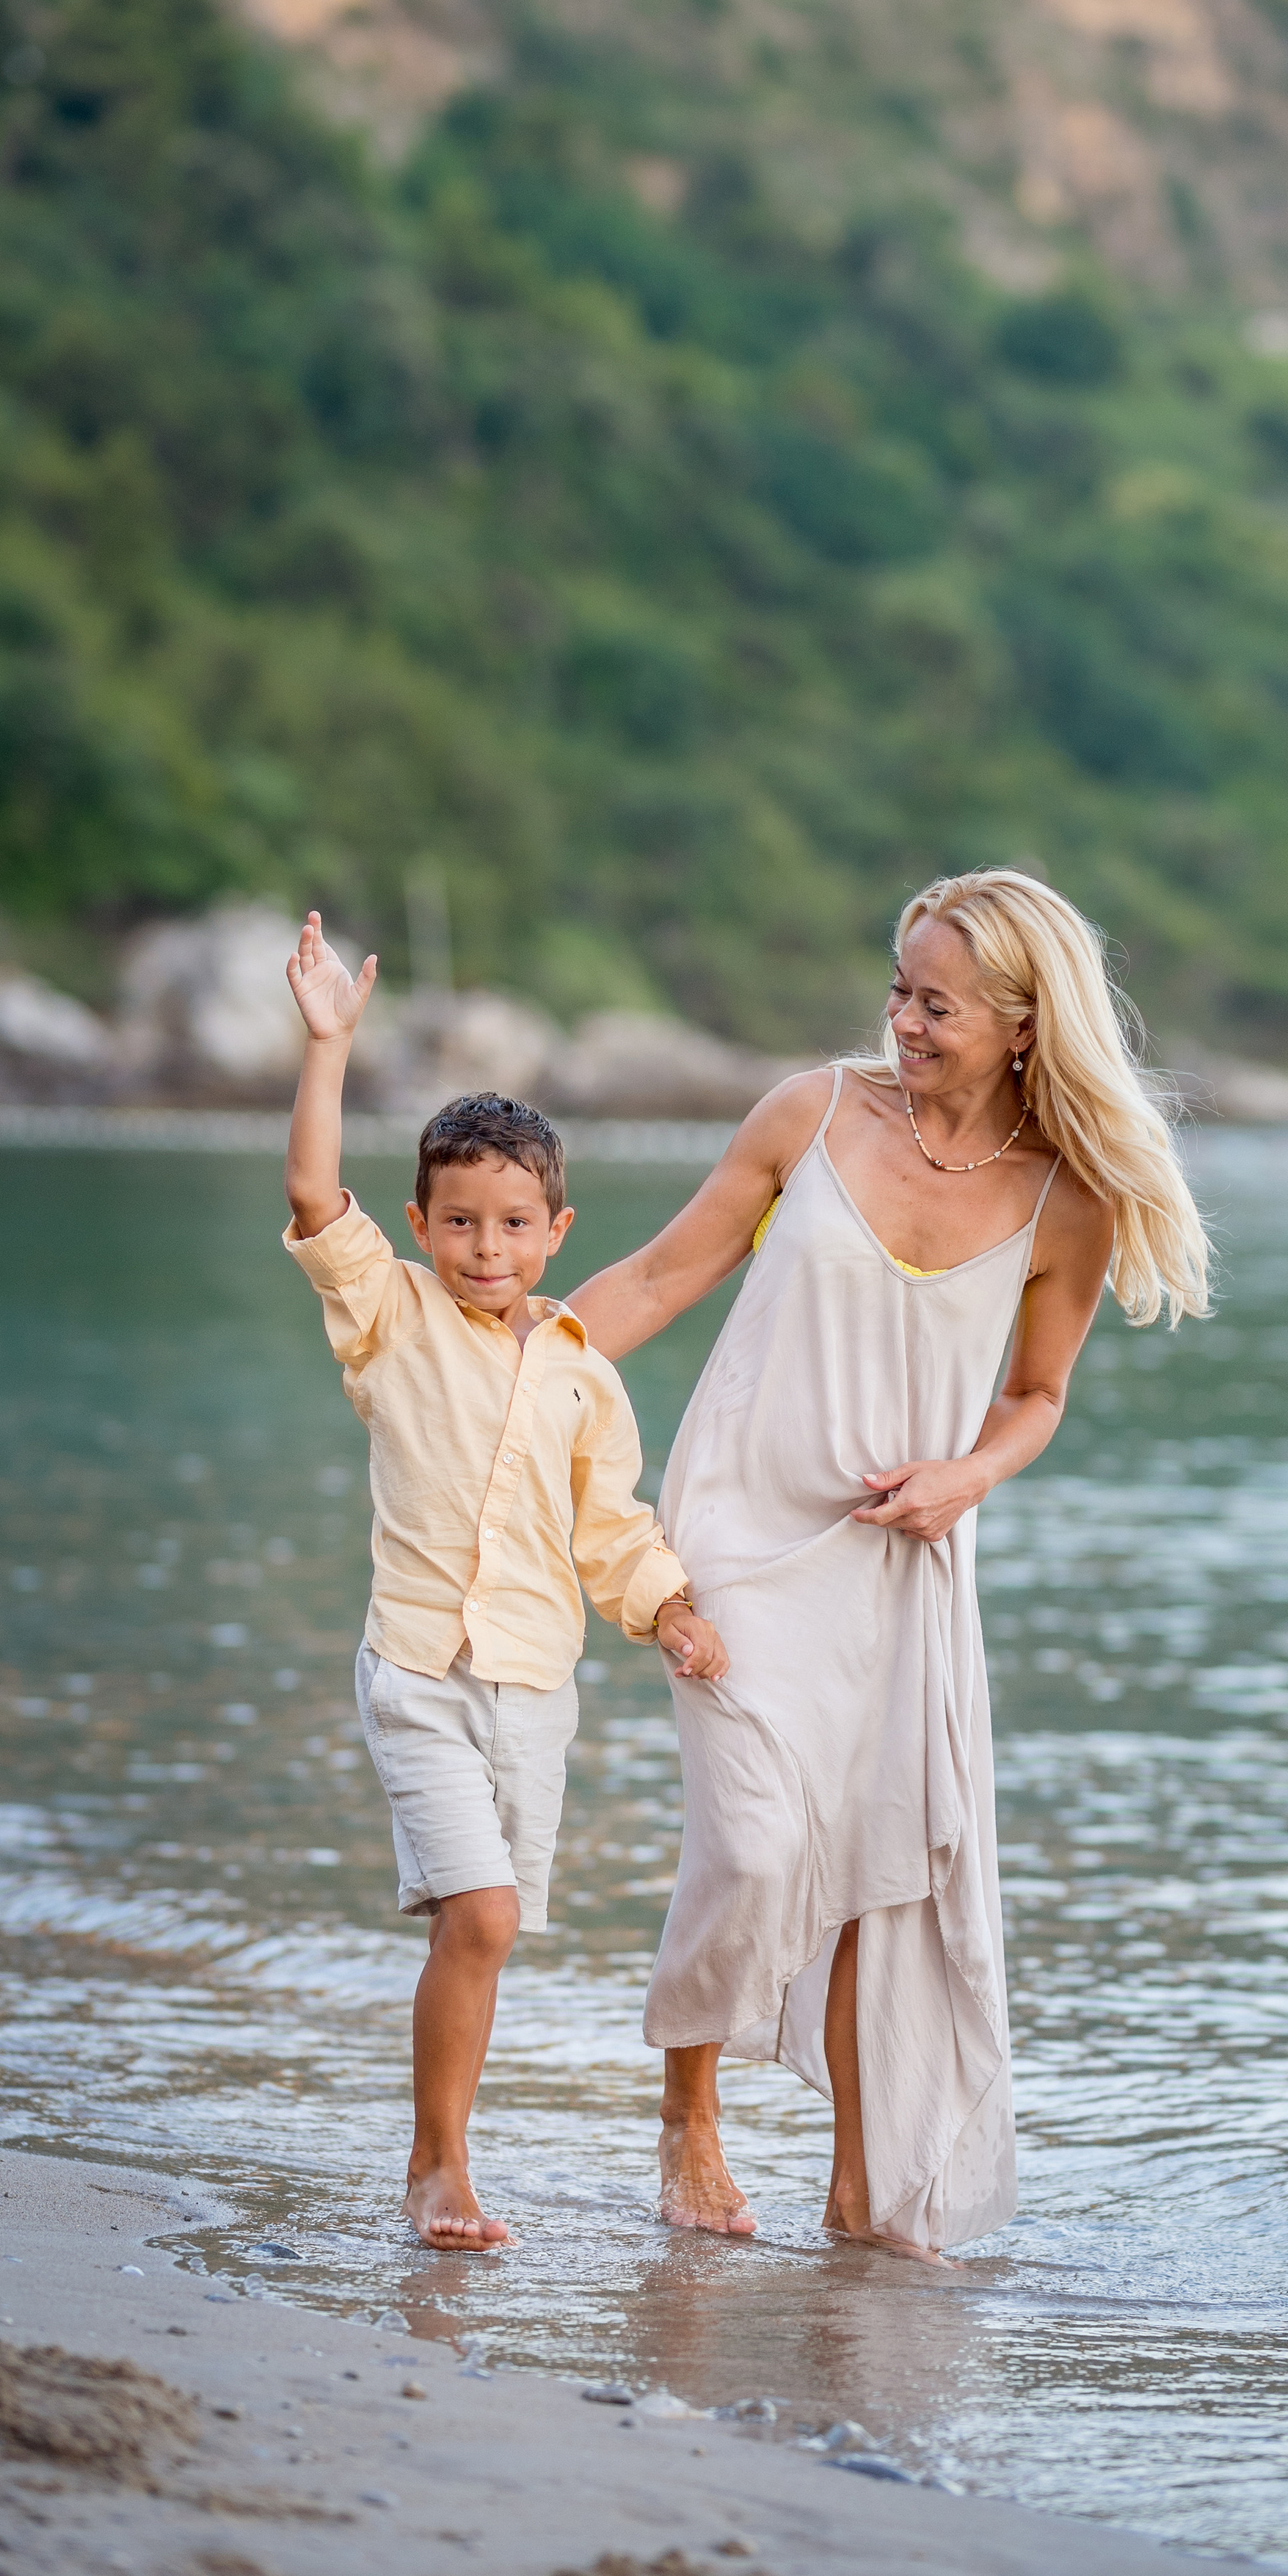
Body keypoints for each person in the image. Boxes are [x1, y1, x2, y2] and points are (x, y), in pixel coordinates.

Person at [566, 868, 1211, 2259]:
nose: (903, 1022)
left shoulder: (1068, 1200)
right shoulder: (810, 1114)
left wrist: (968, 1475)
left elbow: (1035, 1395)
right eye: (900, 991)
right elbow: (662, 1276)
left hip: (901, 1563)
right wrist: (499, 1371)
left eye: (938, 1005)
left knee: (871, 1868)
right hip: (739, 1529)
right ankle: (689, 2108)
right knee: (754, 1841)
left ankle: (859, 2188)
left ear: (1025, 1024)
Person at [281, 910, 729, 2252]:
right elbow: (313, 1197)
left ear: (556, 1230)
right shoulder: (392, 1317)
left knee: (487, 1932)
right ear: (420, 1224)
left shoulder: (584, 1371)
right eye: (461, 1221)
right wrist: (329, 1047)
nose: (486, 1246)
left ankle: (443, 2150)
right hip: (417, 1669)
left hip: (533, 1688)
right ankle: (439, 2170)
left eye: (515, 1223)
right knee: (476, 1912)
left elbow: (611, 1528)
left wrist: (670, 1608)